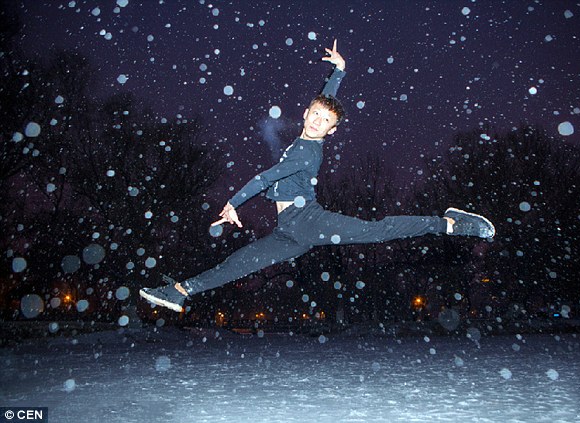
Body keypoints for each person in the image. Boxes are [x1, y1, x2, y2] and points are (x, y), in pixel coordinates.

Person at [140, 40, 495, 313]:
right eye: (314, 115)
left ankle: (448, 223)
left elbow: (267, 177)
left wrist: (234, 202)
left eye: (325, 122)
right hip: (290, 231)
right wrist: (338, 73)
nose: (316, 121)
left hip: (306, 220)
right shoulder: (307, 132)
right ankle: (181, 291)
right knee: (242, 263)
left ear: (332, 131)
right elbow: (326, 102)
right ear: (306, 112)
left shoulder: (306, 151)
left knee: (377, 230)